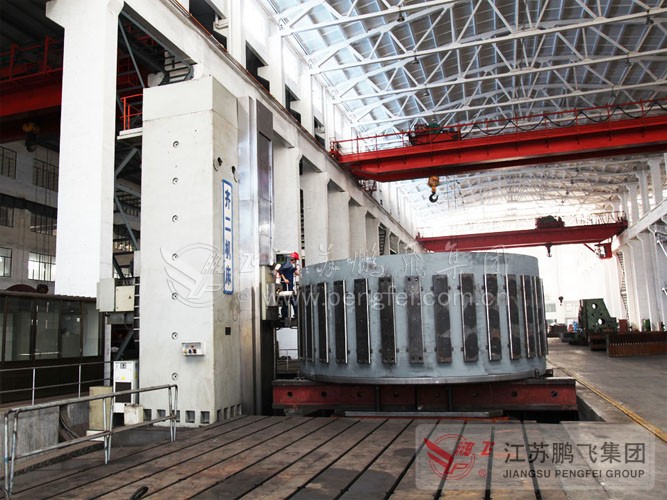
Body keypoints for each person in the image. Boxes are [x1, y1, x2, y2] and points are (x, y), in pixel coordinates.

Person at [279, 252, 300, 320]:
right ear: (293, 259)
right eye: (295, 260)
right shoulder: (286, 265)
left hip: (290, 286)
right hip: (286, 286)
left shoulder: (291, 266)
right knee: (289, 300)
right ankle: (286, 315)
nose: (295, 262)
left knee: (291, 300)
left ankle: (292, 315)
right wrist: (285, 279)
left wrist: (297, 269)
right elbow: (280, 271)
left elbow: (296, 272)